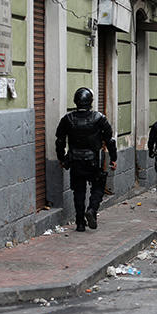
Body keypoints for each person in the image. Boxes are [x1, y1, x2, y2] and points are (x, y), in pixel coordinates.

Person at [55, 87, 117, 232]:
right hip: (93, 160)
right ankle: (92, 209)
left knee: (79, 191)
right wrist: (113, 157)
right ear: (90, 102)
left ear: (76, 102)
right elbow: (110, 140)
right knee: (98, 187)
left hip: (75, 160)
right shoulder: (99, 118)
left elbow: (59, 140)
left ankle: (80, 223)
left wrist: (62, 158)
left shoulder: (67, 119)